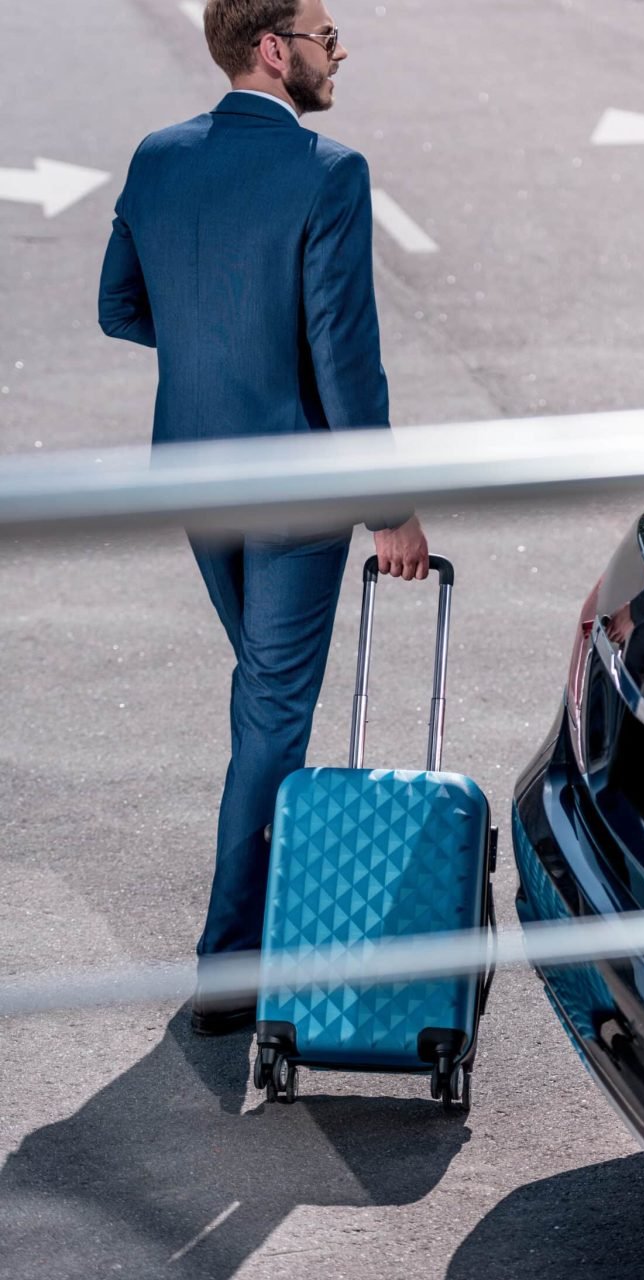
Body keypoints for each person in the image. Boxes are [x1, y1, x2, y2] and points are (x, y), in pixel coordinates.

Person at [98, 0, 429, 1035]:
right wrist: (390, 510)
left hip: (194, 474)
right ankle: (231, 962)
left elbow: (121, 306)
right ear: (273, 50)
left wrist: (216, 343)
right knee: (273, 712)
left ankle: (269, 925)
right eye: (327, 35)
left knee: (263, 698)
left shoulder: (158, 157)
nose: (341, 52)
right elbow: (343, 357)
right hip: (291, 488)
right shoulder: (329, 172)